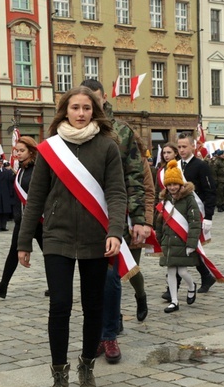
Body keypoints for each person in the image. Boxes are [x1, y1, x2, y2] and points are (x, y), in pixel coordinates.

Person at [17, 86, 127, 387]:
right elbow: (35, 198)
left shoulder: (108, 147)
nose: (81, 113)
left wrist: (115, 231)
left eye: (87, 108)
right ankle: (59, 376)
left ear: (95, 112)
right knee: (60, 305)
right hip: (57, 237)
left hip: (97, 238)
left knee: (94, 306)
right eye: (75, 107)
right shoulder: (51, 149)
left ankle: (87, 368)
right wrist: (24, 242)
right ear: (65, 111)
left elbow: (117, 193)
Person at [80, 79, 147, 365]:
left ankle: (108, 335)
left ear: (103, 98)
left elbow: (135, 177)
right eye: (84, 102)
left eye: (94, 100)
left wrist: (141, 219)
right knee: (88, 281)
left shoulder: (121, 131)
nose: (89, 107)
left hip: (113, 215)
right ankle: (93, 334)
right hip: (82, 217)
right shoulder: (72, 131)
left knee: (110, 278)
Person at [0, 136, 43, 299]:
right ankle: (3, 286)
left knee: (49, 253)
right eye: (16, 150)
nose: (17, 153)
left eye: (21, 150)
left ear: (31, 152)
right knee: (13, 251)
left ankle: (55, 286)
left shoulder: (38, 170)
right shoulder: (21, 170)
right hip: (22, 221)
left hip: (39, 220)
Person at [175, 132, 217, 294]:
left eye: (184, 146)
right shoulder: (176, 165)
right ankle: (205, 276)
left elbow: (210, 191)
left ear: (193, 146)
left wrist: (208, 216)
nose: (181, 150)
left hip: (195, 214)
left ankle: (203, 276)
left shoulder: (201, 166)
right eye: (179, 147)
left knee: (190, 246)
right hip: (180, 213)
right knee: (181, 246)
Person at [156, 161, 200, 313]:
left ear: (181, 184)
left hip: (182, 241)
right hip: (168, 242)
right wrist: (158, 240)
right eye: (169, 185)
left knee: (182, 272)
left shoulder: (189, 199)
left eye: (175, 184)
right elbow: (159, 222)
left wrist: (191, 243)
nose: (172, 187)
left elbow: (195, 222)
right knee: (170, 273)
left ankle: (192, 285)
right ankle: (174, 301)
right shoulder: (165, 200)